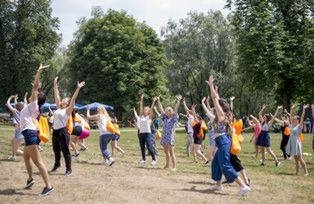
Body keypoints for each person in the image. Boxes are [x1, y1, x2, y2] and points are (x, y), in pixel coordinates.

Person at [206, 75, 250, 196]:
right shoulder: (222, 114)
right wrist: (214, 89)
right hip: (222, 141)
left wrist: (211, 86)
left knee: (225, 164)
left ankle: (243, 186)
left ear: (220, 107)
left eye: (216, 105)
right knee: (216, 162)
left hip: (223, 141)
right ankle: (218, 185)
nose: (214, 106)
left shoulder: (221, 114)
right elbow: (217, 98)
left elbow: (215, 99)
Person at [19, 64, 53, 196]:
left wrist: (38, 71)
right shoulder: (32, 106)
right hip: (29, 134)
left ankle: (48, 186)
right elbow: (34, 88)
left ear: (37, 98)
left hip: (30, 134)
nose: (34, 93)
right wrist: (37, 86)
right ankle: (30, 179)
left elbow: (34, 88)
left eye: (36, 94)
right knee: (26, 157)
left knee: (38, 162)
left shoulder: (34, 104)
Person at [50, 77, 85, 176]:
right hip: (55, 132)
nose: (62, 100)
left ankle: (68, 169)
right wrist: (55, 83)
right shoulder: (58, 108)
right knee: (56, 150)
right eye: (62, 100)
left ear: (67, 103)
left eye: (64, 100)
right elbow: (56, 95)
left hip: (62, 132)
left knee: (65, 151)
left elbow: (73, 98)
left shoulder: (68, 110)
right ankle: (57, 164)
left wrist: (78, 88)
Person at [156, 95, 181, 170]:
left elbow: (176, 109)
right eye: (166, 111)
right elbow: (161, 109)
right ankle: (167, 165)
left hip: (170, 137)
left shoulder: (173, 118)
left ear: (171, 112)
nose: (166, 112)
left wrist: (178, 101)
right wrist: (158, 101)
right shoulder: (164, 118)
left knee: (171, 152)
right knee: (166, 152)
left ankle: (174, 167)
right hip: (164, 136)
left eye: (168, 111)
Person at [286, 104, 309, 176]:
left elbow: (302, 117)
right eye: (293, 118)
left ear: (298, 120)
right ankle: (297, 172)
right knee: (296, 159)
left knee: (299, 158)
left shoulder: (300, 125)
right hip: (291, 141)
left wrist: (304, 109)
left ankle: (306, 172)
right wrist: (292, 108)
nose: (293, 118)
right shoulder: (292, 124)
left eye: (295, 118)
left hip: (296, 142)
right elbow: (290, 116)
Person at [138, 95, 157, 166]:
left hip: (147, 134)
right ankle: (143, 159)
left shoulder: (149, 117)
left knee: (149, 147)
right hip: (141, 134)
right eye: (144, 109)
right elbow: (140, 108)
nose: (144, 110)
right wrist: (141, 99)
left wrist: (153, 101)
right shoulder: (141, 116)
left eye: (146, 109)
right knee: (142, 147)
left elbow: (151, 109)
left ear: (148, 111)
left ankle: (154, 159)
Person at [6, 95, 25, 160]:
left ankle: (14, 156)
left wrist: (10, 97)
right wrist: (15, 99)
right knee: (13, 141)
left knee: (15, 143)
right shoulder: (23, 111)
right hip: (21, 129)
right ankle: (16, 153)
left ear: (16, 107)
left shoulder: (15, 111)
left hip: (19, 130)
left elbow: (8, 104)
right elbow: (18, 104)